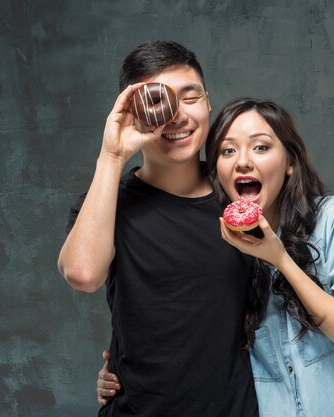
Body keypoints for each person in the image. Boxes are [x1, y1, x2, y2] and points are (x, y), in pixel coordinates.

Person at [98, 98, 334, 416]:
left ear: (289, 163)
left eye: (261, 147)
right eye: (228, 150)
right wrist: (122, 371)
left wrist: (281, 259)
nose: (243, 161)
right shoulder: (231, 253)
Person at [58, 42, 258, 417]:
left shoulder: (241, 194)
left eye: (190, 96)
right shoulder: (106, 202)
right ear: (134, 113)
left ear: (208, 102)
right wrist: (113, 155)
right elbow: (83, 274)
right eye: (159, 101)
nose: (178, 116)